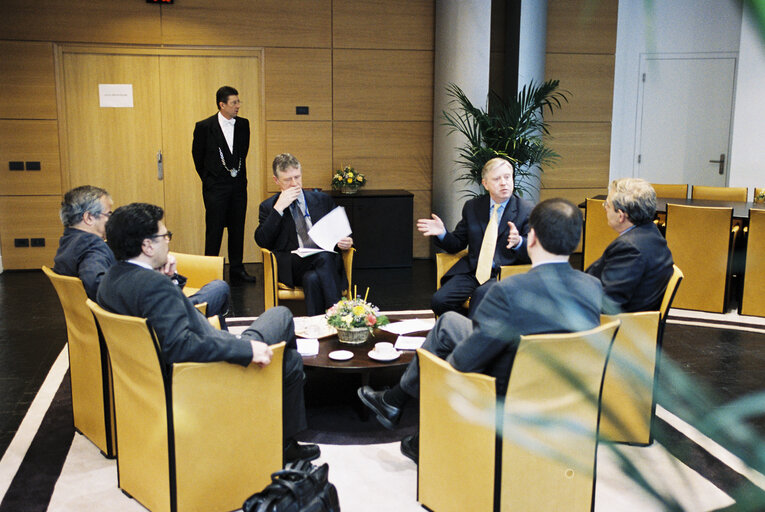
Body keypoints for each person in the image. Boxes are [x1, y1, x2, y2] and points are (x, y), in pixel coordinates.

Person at [358, 198, 603, 463]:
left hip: (507, 391)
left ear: (531, 238)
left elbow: (463, 363)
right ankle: (395, 403)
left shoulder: (508, 292)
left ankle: (423, 431)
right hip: (564, 391)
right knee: (450, 321)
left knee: (443, 353)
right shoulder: (592, 287)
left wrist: (439, 365)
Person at [97, 203, 318, 463]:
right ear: (147, 246)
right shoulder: (152, 286)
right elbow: (181, 345)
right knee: (285, 337)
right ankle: (282, 438)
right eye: (164, 237)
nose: (167, 242)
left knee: (279, 327)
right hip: (200, 375)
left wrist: (169, 279)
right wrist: (245, 350)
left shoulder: (111, 279)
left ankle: (278, 393)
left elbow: (165, 318)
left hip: (153, 376)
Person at [53, 185, 231, 319]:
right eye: (109, 214)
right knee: (218, 288)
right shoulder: (92, 247)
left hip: (119, 318)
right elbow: (100, 287)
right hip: (147, 319)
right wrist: (152, 280)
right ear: (89, 217)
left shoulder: (68, 242)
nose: (111, 219)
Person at [418, 158, 533, 317]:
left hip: (505, 274)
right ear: (485, 184)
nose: (504, 183)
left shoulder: (526, 210)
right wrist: (442, 234)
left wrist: (519, 242)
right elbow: (457, 243)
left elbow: (534, 251)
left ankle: (475, 335)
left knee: (479, 299)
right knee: (440, 301)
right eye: (497, 179)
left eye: (507, 177)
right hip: (474, 271)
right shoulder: (473, 207)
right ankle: (464, 329)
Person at [255, 153, 353, 316]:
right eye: (288, 180)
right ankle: (341, 316)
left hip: (324, 262)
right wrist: (278, 209)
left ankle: (316, 327)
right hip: (294, 265)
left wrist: (347, 242)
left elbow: (341, 233)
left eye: (297, 177)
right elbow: (262, 240)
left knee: (313, 278)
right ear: (276, 180)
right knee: (322, 259)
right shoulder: (269, 207)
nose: (294, 184)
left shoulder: (322, 200)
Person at [192, 85, 256, 283]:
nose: (238, 106)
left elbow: (242, 153)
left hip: (237, 186)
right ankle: (209, 270)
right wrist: (210, 179)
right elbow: (197, 157)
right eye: (234, 102)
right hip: (215, 187)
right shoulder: (204, 126)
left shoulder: (244, 124)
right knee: (214, 229)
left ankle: (237, 269)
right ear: (222, 105)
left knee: (237, 228)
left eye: (238, 102)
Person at [586, 178, 674, 312]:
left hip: (612, 325)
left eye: (607, 205)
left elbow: (608, 302)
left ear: (621, 215)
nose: (604, 208)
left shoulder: (630, 248)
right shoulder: (652, 234)